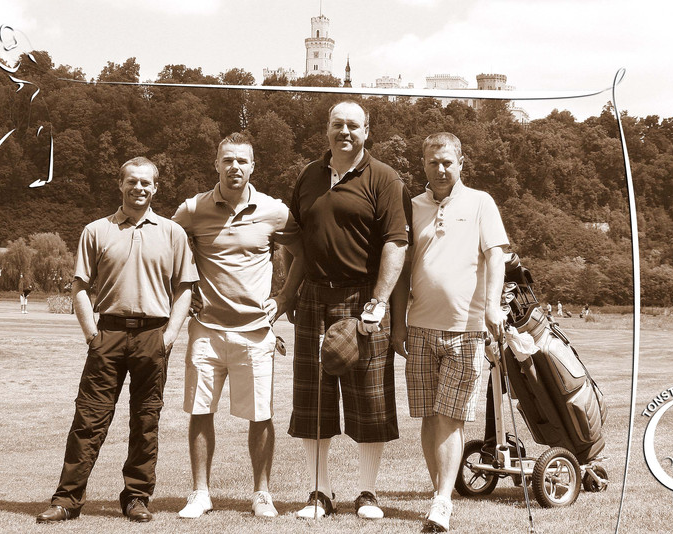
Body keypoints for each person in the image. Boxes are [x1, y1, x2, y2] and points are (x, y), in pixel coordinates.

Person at [36, 157, 198, 524]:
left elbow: (185, 290)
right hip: (107, 334)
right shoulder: (96, 230)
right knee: (88, 420)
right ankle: (67, 500)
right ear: (120, 184)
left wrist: (169, 336)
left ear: (155, 188)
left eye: (146, 182)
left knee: (145, 421)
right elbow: (80, 287)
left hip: (153, 335)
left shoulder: (173, 233)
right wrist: (91, 335)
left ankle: (136, 497)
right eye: (132, 181)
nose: (139, 187)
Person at [287, 100, 412, 520]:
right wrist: (288, 294)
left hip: (364, 299)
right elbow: (296, 239)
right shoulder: (308, 175)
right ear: (327, 128)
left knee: (369, 400)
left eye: (353, 126)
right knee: (313, 399)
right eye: (337, 124)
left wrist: (379, 301)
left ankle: (367, 493)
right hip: (315, 296)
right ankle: (319, 492)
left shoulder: (385, 178)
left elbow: (396, 243)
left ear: (366, 130)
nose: (345, 132)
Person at [172, 132, 304, 519]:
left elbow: (303, 253)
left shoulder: (274, 211)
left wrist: (284, 297)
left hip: (256, 332)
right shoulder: (193, 209)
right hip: (206, 330)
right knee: (200, 411)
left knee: (260, 415)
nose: (234, 167)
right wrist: (185, 289)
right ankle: (200, 493)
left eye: (242, 161)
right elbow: (167, 247)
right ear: (216, 164)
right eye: (227, 160)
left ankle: (262, 493)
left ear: (252, 167)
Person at [393, 132, 509, 532]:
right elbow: (401, 270)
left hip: (466, 329)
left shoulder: (480, 202)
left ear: (461, 162)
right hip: (419, 327)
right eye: (433, 162)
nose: (440, 169)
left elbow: (496, 256)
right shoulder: (411, 207)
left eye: (447, 162)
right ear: (423, 164)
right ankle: (439, 494)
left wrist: (492, 305)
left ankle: (442, 500)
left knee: (450, 417)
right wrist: (397, 324)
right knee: (429, 416)